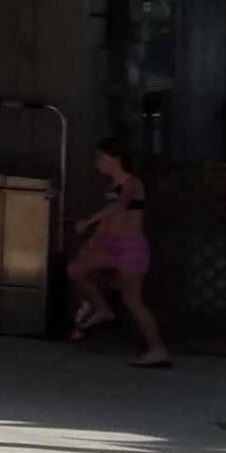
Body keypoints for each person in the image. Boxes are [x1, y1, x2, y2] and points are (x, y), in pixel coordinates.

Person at [67, 137, 170, 367]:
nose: (98, 162)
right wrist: (92, 241)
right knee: (75, 271)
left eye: (101, 157)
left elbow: (119, 206)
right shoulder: (111, 187)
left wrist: (88, 221)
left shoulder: (132, 183)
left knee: (132, 300)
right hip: (109, 244)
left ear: (116, 158)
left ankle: (158, 349)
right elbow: (109, 220)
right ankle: (102, 308)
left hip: (130, 247)